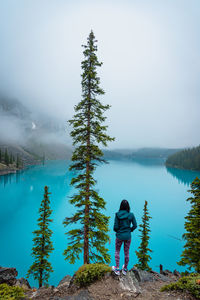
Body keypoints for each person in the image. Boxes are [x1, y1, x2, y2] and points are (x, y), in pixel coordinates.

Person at [112, 199, 137, 276]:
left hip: (119, 236)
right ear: (128, 206)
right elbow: (135, 225)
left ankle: (117, 268)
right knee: (126, 252)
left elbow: (115, 227)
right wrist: (130, 230)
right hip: (127, 236)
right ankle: (125, 269)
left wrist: (118, 231)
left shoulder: (117, 214)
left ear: (121, 206)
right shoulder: (131, 215)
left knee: (117, 251)